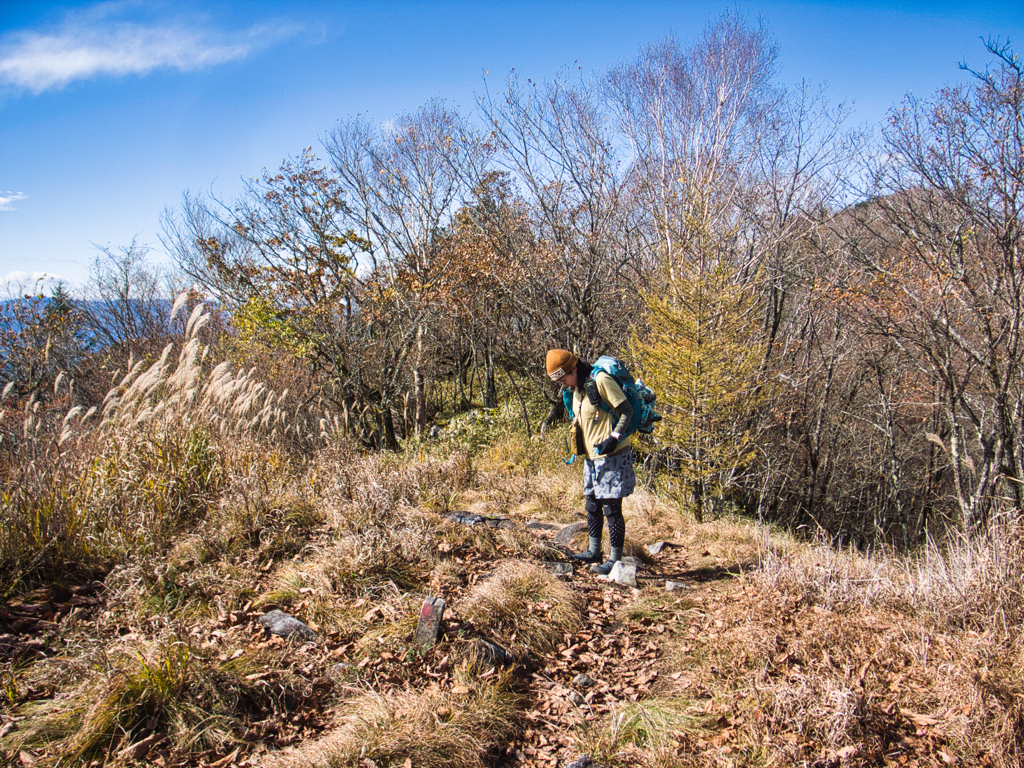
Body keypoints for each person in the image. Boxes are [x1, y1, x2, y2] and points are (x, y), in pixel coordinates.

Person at [546, 349, 636, 575]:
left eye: (563, 378)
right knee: (592, 504)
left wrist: (614, 438)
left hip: (612, 455)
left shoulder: (601, 380)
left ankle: (616, 560)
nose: (563, 384)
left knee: (612, 508)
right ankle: (594, 551)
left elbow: (627, 411)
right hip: (592, 458)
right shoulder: (576, 389)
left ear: (574, 369)